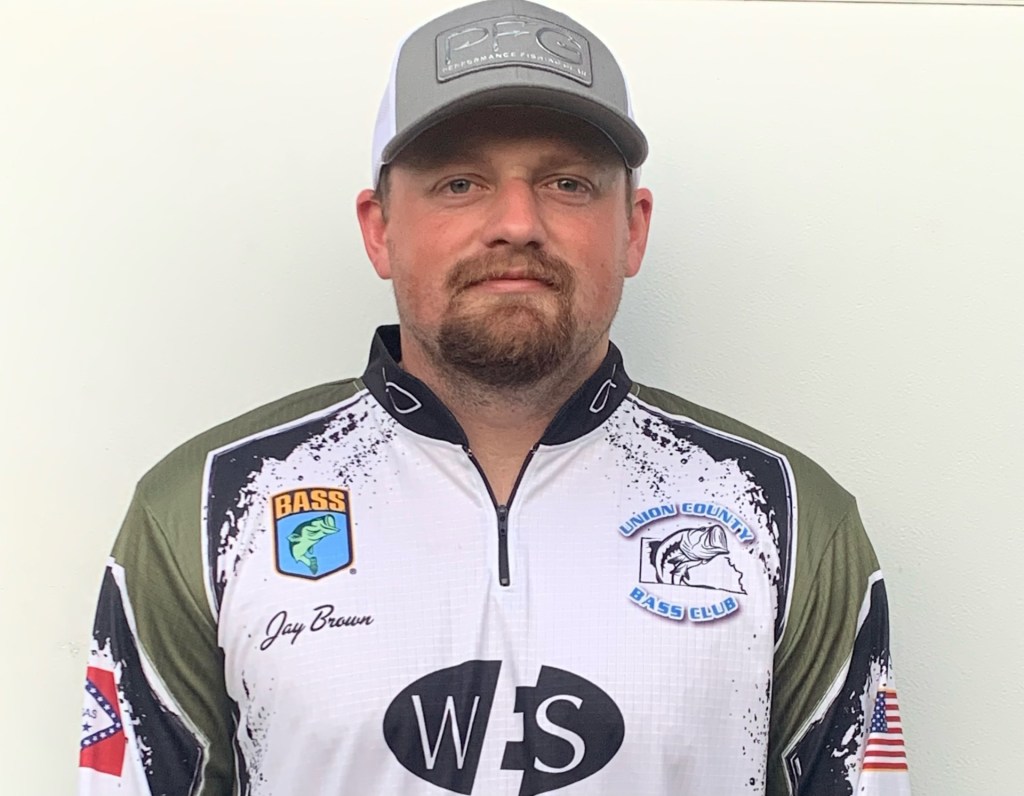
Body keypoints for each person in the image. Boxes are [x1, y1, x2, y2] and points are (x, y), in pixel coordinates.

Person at [77, 2, 911, 794]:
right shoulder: (210, 509)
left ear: (633, 228)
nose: (517, 221)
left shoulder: (783, 517)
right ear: (379, 229)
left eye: (567, 184)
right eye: (459, 183)